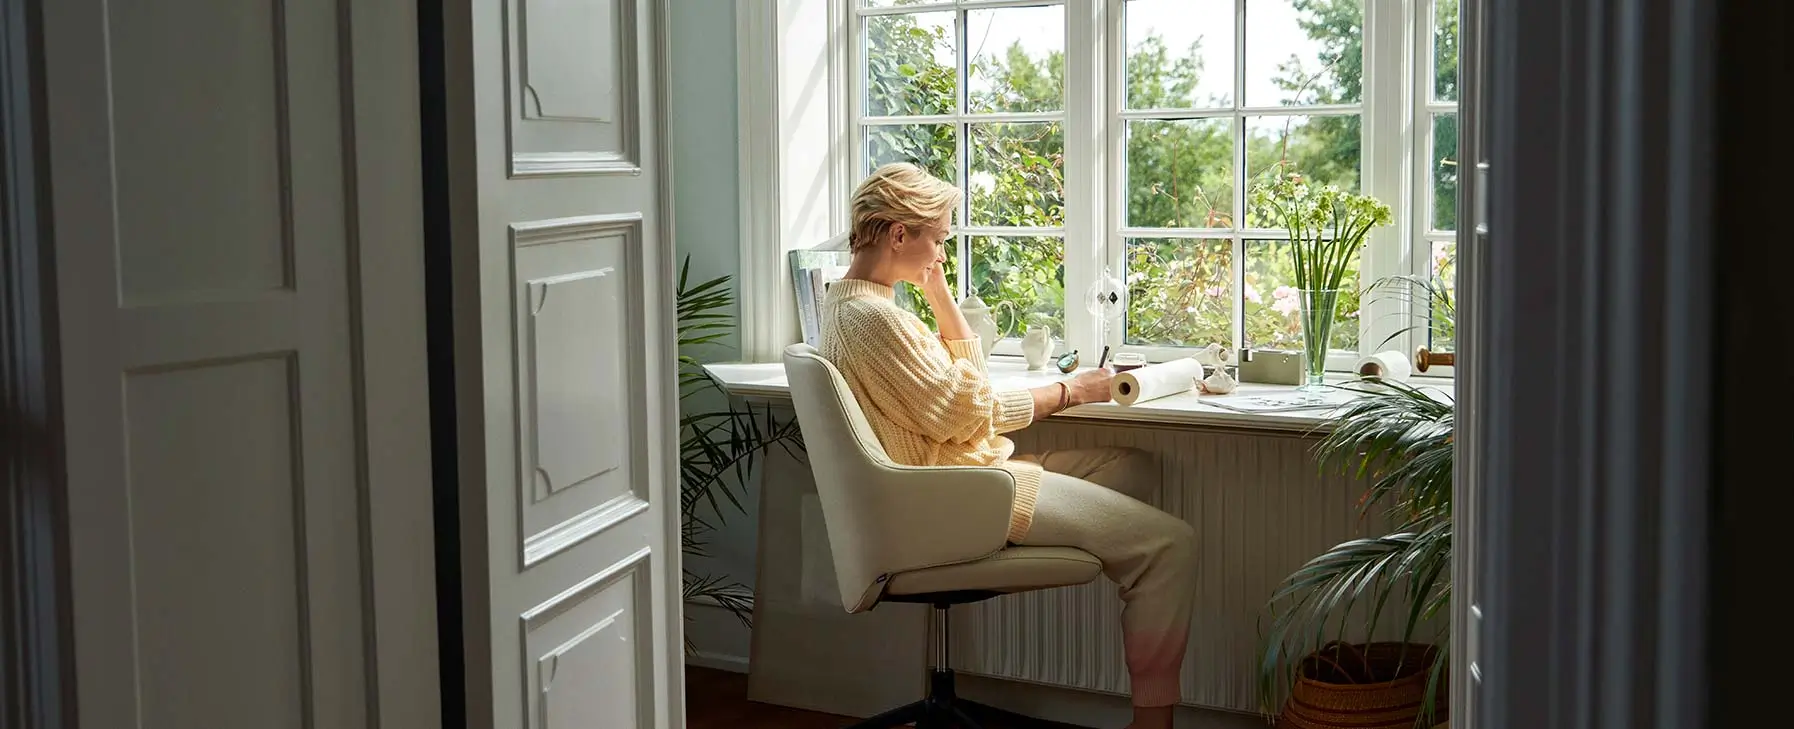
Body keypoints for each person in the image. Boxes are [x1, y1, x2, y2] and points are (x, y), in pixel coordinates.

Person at [819, 162, 1199, 729]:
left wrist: (939, 296)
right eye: (939, 239)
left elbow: (961, 395)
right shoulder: (876, 321)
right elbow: (971, 411)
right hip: (961, 494)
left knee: (1133, 468)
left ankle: (1097, 537)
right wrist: (1071, 390)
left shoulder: (852, 306)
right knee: (1173, 545)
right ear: (899, 234)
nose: (941, 253)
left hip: (959, 478)